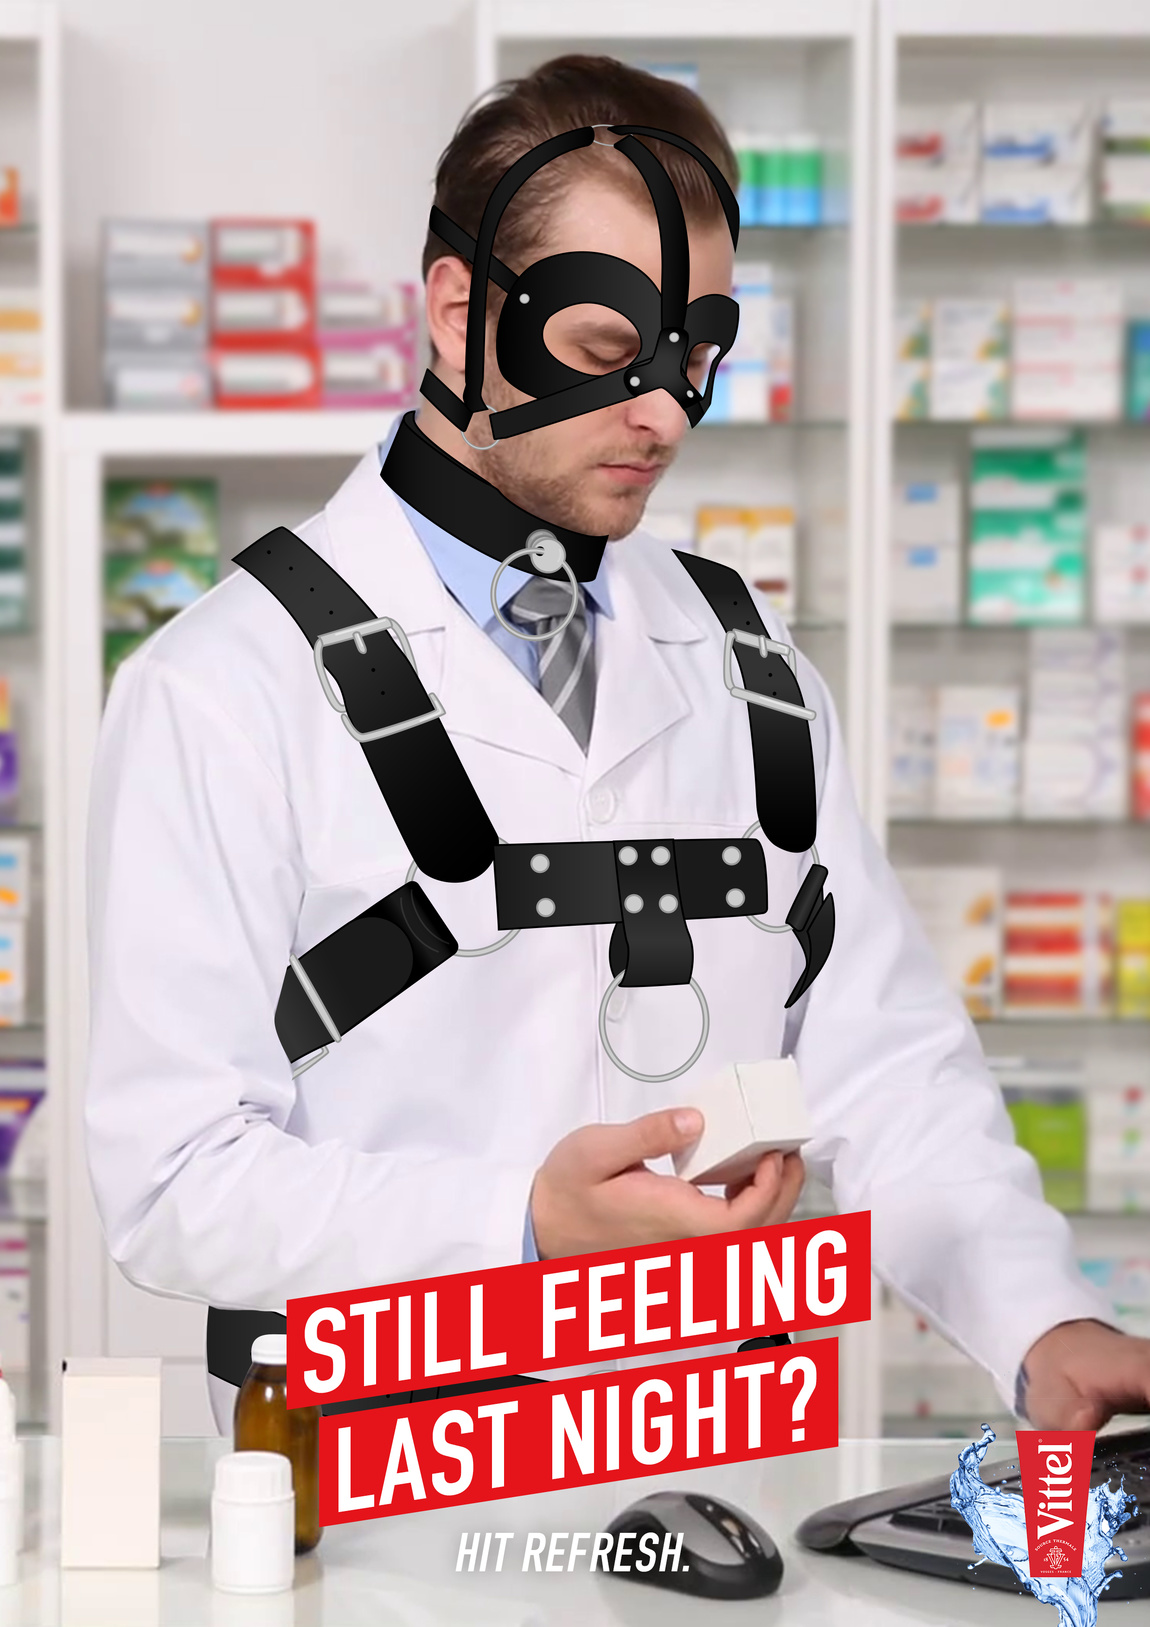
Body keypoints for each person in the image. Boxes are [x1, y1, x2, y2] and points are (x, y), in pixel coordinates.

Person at [84, 55, 1149, 1436]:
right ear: (459, 312)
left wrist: (1038, 1320)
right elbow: (173, 1183)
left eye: (695, 359)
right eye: (604, 353)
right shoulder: (223, 687)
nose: (664, 415)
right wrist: (520, 1225)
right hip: (385, 1484)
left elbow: (887, 1063)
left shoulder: (744, 658)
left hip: (718, 1465)